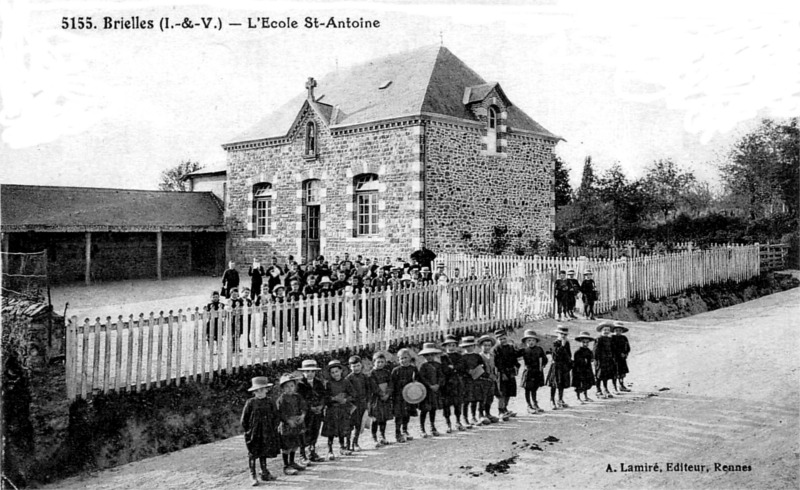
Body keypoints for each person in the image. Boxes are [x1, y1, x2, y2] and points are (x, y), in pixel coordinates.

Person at [241, 376, 280, 486]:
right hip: (254, 432)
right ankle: (252, 474)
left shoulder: (270, 402)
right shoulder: (250, 402)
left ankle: (264, 471)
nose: (260, 392)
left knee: (264, 450)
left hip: (267, 431)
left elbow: (276, 416)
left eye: (262, 389)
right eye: (257, 390)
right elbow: (244, 419)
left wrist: (273, 427)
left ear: (267, 390)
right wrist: (248, 430)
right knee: (253, 452)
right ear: (253, 392)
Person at [321, 360, 354, 459]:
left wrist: (345, 399)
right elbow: (325, 397)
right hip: (332, 409)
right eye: (332, 372)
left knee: (342, 429)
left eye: (337, 371)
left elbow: (352, 394)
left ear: (341, 371)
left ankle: (342, 447)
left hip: (343, 409)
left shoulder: (346, 382)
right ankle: (330, 450)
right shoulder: (328, 384)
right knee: (331, 431)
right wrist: (334, 398)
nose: (335, 374)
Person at [275, 374, 307, 476]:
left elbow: (304, 407)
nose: (289, 389)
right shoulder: (281, 399)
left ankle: (292, 462)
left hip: (297, 424)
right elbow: (279, 413)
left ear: (295, 386)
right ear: (283, 388)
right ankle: (286, 466)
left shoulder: (297, 397)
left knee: (295, 445)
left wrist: (302, 415)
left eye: (291, 386)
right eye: (286, 386)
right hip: (287, 425)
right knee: (287, 447)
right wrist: (287, 420)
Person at [296, 360, 326, 464]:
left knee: (315, 430)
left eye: (312, 371)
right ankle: (302, 454)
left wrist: (321, 406)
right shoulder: (300, 384)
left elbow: (323, 395)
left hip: (317, 412)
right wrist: (309, 407)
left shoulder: (318, 383)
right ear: (303, 372)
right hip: (306, 413)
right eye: (307, 371)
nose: (310, 374)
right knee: (304, 432)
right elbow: (300, 399)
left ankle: (312, 452)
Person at [391, 348, 420, 443]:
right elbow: (392, 384)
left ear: (410, 358)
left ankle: (405, 430)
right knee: (399, 415)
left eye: (405, 357)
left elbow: (417, 379)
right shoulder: (396, 370)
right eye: (401, 358)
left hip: (409, 395)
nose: (403, 360)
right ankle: (397, 433)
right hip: (398, 396)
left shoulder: (413, 369)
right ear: (398, 360)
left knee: (407, 414)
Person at [459, 336, 489, 427]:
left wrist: (479, 370)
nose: (469, 348)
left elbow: (482, 365)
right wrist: (467, 371)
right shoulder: (462, 357)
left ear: (474, 346)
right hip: (466, 380)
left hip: (476, 380)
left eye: (471, 346)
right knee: (466, 400)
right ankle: (465, 418)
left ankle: (473, 417)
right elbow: (460, 369)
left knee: (475, 399)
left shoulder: (477, 356)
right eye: (466, 346)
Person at [440, 334, 467, 432]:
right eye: (449, 345)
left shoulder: (459, 356)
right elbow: (444, 369)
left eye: (453, 345)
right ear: (445, 346)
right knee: (446, 404)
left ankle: (458, 421)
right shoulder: (443, 357)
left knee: (458, 403)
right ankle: (448, 423)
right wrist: (452, 369)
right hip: (446, 384)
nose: (451, 347)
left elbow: (461, 367)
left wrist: (454, 368)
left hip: (457, 383)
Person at [492, 328, 519, 419]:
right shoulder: (496, 349)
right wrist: (502, 372)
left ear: (507, 337)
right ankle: (500, 410)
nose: (502, 340)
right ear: (497, 339)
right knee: (502, 393)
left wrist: (516, 366)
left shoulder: (510, 347)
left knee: (509, 392)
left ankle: (505, 408)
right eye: (500, 339)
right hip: (501, 373)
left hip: (510, 372)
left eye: (504, 338)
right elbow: (497, 363)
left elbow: (515, 358)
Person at [417, 343, 444, 438]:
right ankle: (422, 429)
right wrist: (429, 385)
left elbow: (441, 376)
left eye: (432, 355)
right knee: (424, 410)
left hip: (435, 391)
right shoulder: (423, 366)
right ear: (424, 356)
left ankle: (433, 427)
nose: (430, 357)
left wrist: (438, 385)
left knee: (433, 409)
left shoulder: (438, 365)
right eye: (427, 355)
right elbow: (422, 378)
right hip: (426, 392)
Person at [345, 355, 370, 452]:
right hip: (352, 405)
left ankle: (355, 442)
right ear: (350, 367)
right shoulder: (348, 378)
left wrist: (367, 402)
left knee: (359, 424)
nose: (356, 368)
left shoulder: (364, 377)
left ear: (361, 366)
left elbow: (368, 390)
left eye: (358, 365)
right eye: (353, 366)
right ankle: (347, 445)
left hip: (362, 404)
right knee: (349, 425)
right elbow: (347, 392)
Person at [368, 352, 393, 447]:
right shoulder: (371, 374)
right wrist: (381, 394)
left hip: (385, 398)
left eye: (382, 362)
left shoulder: (387, 372)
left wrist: (388, 393)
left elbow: (391, 384)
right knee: (376, 418)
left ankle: (382, 436)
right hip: (376, 399)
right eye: (378, 362)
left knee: (384, 418)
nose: (380, 364)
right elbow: (374, 386)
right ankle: (374, 437)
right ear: (373, 362)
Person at [520, 329, 547, 414]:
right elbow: (514, 356)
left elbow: (544, 358)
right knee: (528, 389)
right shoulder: (524, 350)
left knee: (535, 388)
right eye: (529, 340)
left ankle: (535, 404)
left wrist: (542, 365)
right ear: (525, 342)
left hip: (537, 372)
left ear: (536, 341)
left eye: (533, 340)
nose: (531, 342)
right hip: (528, 371)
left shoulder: (539, 349)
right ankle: (529, 405)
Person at [546, 325, 572, 410]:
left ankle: (560, 399)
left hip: (563, 366)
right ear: (558, 334)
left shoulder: (567, 343)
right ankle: (552, 400)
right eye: (561, 334)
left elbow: (568, 355)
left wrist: (569, 364)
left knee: (562, 384)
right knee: (554, 384)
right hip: (556, 366)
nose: (563, 336)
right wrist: (562, 346)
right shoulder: (555, 343)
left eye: (565, 334)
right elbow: (556, 356)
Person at [477, 335, 500, 424]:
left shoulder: (492, 356)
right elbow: (479, 369)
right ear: (481, 346)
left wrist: (495, 375)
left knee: (490, 397)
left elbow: (495, 366)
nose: (487, 347)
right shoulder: (479, 356)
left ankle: (488, 413)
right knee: (483, 397)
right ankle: (481, 414)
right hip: (483, 380)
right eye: (485, 345)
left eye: (489, 345)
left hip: (491, 380)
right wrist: (487, 375)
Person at [593, 322, 616, 399]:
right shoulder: (598, 339)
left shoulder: (610, 339)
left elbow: (612, 349)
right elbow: (595, 351)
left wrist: (612, 357)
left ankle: (605, 389)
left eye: (608, 330)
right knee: (598, 375)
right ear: (601, 331)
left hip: (608, 360)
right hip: (600, 360)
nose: (606, 331)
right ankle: (598, 390)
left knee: (606, 375)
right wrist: (596, 359)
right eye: (604, 330)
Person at [572, 331, 595, 404]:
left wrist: (591, 359)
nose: (585, 344)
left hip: (587, 369)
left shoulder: (588, 351)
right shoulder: (578, 351)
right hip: (579, 370)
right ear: (580, 342)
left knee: (587, 382)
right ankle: (578, 398)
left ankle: (585, 396)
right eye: (583, 342)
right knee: (579, 383)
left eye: (587, 342)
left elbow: (591, 358)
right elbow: (577, 361)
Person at [611, 321, 631, 393]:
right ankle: (614, 387)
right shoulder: (612, 338)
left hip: (622, 358)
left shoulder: (624, 338)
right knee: (615, 373)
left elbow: (628, 347)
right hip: (614, 358)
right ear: (613, 331)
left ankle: (621, 385)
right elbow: (611, 348)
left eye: (620, 330)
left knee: (622, 373)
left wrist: (625, 354)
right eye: (616, 330)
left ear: (622, 331)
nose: (618, 332)